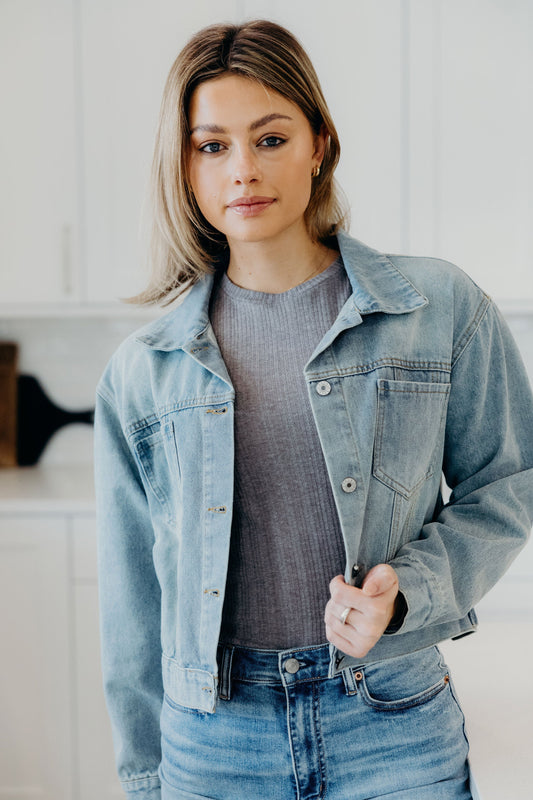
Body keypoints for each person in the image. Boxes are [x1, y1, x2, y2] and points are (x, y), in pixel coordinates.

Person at [94, 19, 533, 800]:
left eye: (269, 138)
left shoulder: (437, 308)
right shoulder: (142, 374)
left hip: (390, 720)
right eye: (212, 146)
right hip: (215, 739)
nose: (241, 171)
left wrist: (408, 592)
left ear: (318, 145)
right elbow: (134, 608)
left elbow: (507, 485)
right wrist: (145, 779)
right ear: (185, 167)